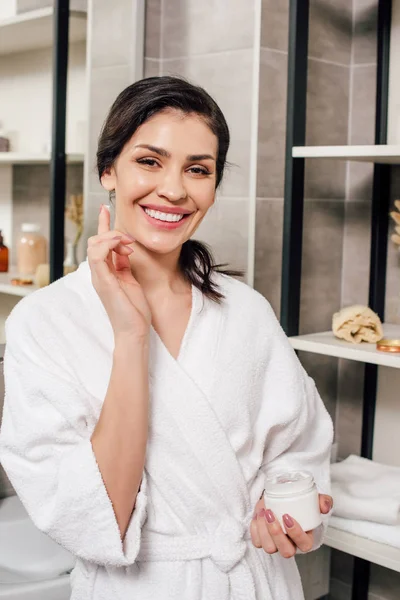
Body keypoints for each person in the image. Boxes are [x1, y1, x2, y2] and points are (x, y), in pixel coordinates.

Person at [0, 76, 333, 600]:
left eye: (198, 169)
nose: (175, 190)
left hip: (255, 581)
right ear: (108, 170)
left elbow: (298, 445)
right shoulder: (43, 323)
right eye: (150, 161)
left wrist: (291, 510)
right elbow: (94, 514)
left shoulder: (245, 311)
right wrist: (132, 337)